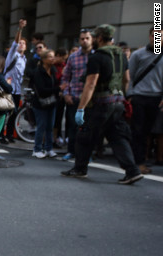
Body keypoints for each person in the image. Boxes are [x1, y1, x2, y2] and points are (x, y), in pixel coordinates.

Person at [61, 24, 143, 185]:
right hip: (118, 102)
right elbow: (126, 79)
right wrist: (120, 96)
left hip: (100, 103)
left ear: (98, 38)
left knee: (84, 134)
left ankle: (80, 168)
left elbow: (90, 84)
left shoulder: (97, 57)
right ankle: (132, 170)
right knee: (118, 137)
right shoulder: (121, 55)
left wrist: (81, 108)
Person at [127, 28, 163, 175]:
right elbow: (130, 76)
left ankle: (142, 160)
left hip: (157, 98)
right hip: (139, 96)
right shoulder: (137, 54)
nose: (156, 38)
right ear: (149, 36)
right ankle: (138, 162)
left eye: (159, 36)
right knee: (138, 131)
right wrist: (130, 95)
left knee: (149, 132)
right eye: (154, 35)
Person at [61, 29, 94, 161]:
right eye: (82, 39)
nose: (84, 41)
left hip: (91, 99)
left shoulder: (96, 55)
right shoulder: (73, 57)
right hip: (74, 96)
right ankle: (71, 151)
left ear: (92, 39)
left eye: (87, 38)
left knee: (89, 127)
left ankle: (87, 154)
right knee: (73, 126)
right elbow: (65, 77)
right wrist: (66, 94)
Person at [0, 19, 28, 144]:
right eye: (20, 43)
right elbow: (15, 42)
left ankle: (10, 134)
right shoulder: (13, 55)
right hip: (8, 89)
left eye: (23, 43)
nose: (21, 44)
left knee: (13, 113)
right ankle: (1, 135)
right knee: (5, 113)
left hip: (17, 90)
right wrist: (20, 29)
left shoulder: (25, 59)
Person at [31, 49, 60, 158]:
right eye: (50, 57)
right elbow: (42, 90)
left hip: (51, 102)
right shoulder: (38, 72)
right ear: (43, 59)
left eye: (53, 56)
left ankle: (49, 148)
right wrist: (58, 89)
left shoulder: (53, 70)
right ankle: (37, 149)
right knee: (41, 126)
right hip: (40, 103)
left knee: (50, 127)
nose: (53, 59)